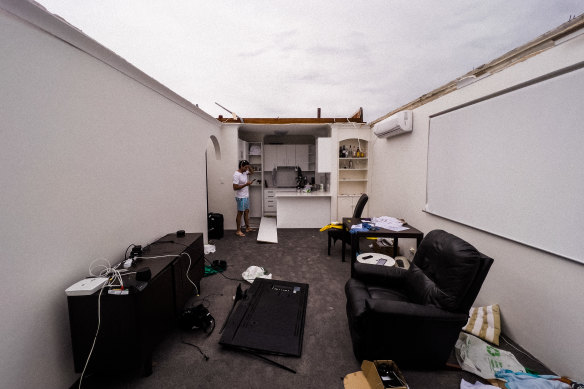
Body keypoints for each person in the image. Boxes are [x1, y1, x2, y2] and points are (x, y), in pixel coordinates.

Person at [233, 160, 256, 237]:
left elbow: (252, 172)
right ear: (241, 166)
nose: (247, 169)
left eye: (247, 167)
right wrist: (246, 184)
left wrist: (249, 166)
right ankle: (238, 230)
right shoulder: (236, 174)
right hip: (240, 197)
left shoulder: (244, 172)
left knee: (246, 211)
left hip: (246, 196)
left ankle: (247, 228)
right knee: (240, 213)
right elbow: (235, 187)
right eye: (245, 167)